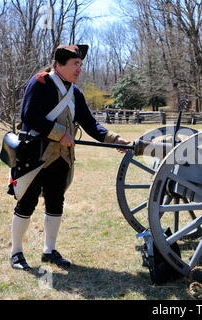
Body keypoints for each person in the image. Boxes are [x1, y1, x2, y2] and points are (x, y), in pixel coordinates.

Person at [9, 44, 130, 270]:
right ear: (59, 64)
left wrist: (114, 139)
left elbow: (90, 123)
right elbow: (29, 116)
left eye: (81, 64)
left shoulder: (75, 92)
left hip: (62, 157)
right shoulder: (40, 82)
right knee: (27, 202)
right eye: (75, 64)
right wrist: (59, 133)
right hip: (34, 154)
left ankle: (49, 250)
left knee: (56, 202)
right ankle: (16, 252)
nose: (79, 69)